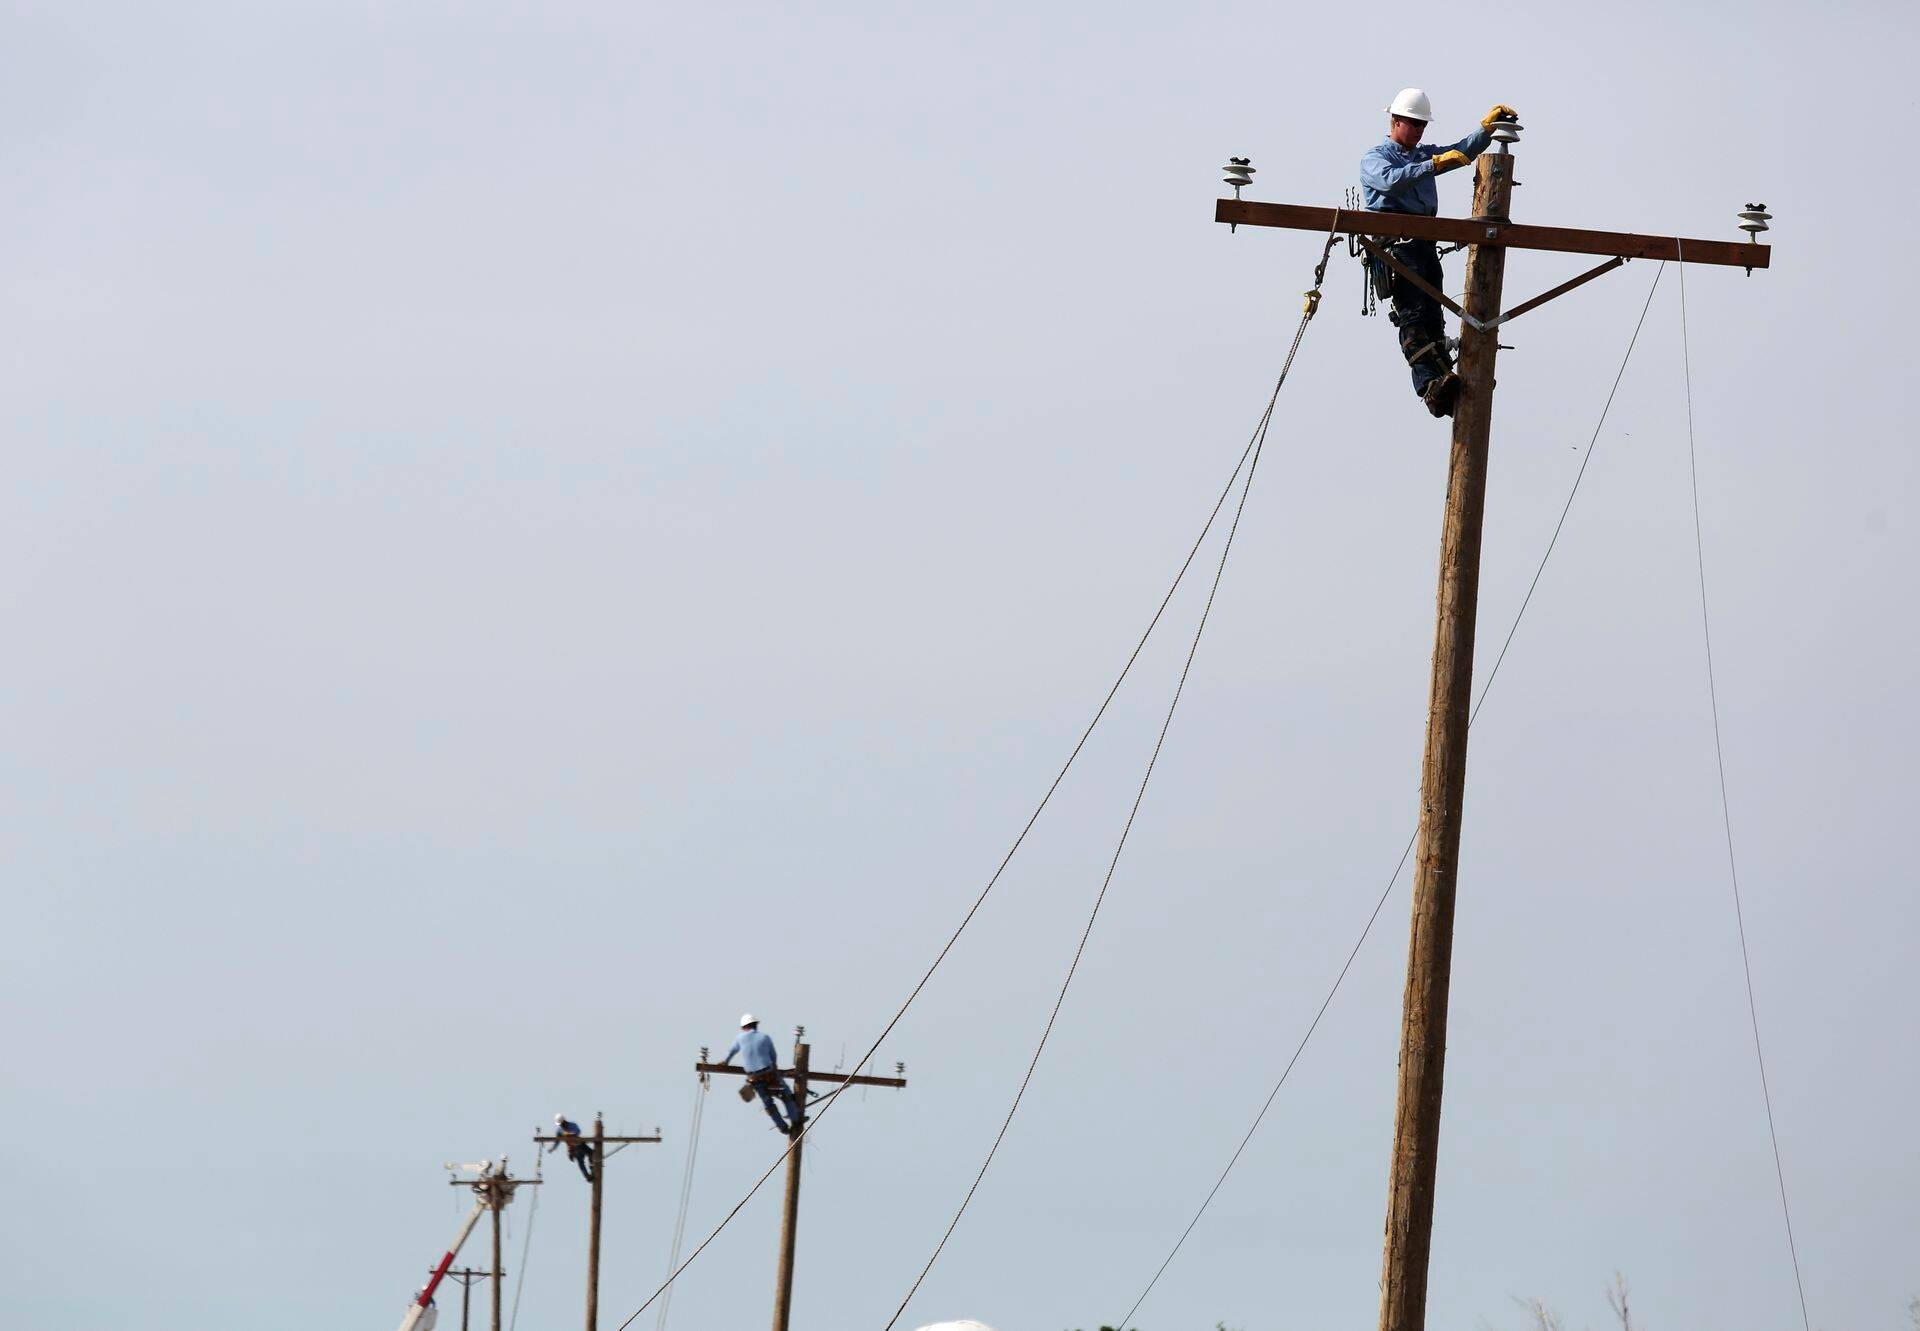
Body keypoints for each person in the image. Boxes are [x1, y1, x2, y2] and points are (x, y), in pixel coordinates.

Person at [1360, 89, 1517, 419]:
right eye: (1413, 124)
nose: (1418, 131)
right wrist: (1431, 166)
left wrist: (1486, 130)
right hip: (1396, 249)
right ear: (1396, 120)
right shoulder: (1375, 158)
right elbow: (1390, 183)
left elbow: (1461, 151)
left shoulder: (1422, 156)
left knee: (1432, 316)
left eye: (1422, 126)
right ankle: (1429, 384)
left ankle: (1442, 381)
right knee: (1414, 316)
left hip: (1424, 245)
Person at [717, 1013, 801, 1135]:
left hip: (754, 1078)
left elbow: (731, 1051)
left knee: (768, 1103)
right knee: (786, 1094)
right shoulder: (765, 1037)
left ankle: (783, 1127)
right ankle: (795, 1120)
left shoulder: (739, 1038)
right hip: (769, 1074)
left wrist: (725, 1062)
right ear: (755, 1025)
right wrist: (775, 1069)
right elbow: (773, 1056)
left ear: (743, 1027)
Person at [548, 1113, 595, 1181]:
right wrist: (552, 1148)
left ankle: (592, 1167)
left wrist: (570, 1134)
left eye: (562, 1123)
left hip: (580, 1144)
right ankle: (587, 1176)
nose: (562, 1125)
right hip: (573, 1148)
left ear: (564, 1121)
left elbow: (578, 1131)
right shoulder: (559, 1131)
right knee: (580, 1162)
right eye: (561, 1124)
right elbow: (557, 1141)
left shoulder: (572, 1125)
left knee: (592, 1154)